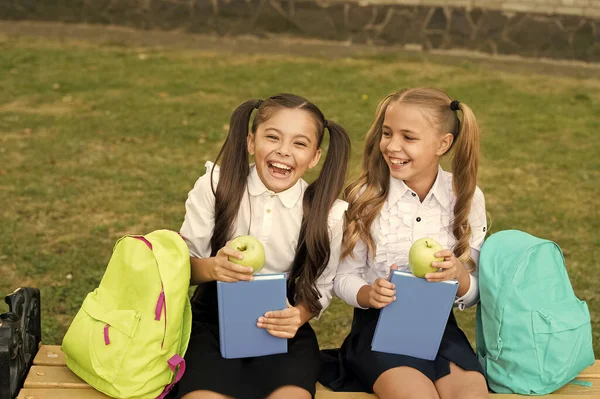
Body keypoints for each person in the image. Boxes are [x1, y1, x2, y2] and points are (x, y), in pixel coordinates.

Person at [177, 93, 351, 399]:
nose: (284, 151)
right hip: (210, 320)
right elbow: (184, 267)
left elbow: (322, 288)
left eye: (299, 143)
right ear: (251, 142)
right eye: (273, 137)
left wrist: (299, 315)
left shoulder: (328, 214)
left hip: (282, 326)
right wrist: (213, 267)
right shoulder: (216, 186)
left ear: (314, 157)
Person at [322, 88, 488, 399]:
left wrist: (460, 277)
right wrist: (369, 294)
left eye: (408, 137)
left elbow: (476, 290)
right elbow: (342, 277)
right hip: (378, 330)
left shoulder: (466, 197)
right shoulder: (366, 196)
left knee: (472, 394)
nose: (392, 146)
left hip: (440, 329)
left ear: (443, 144)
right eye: (387, 133)